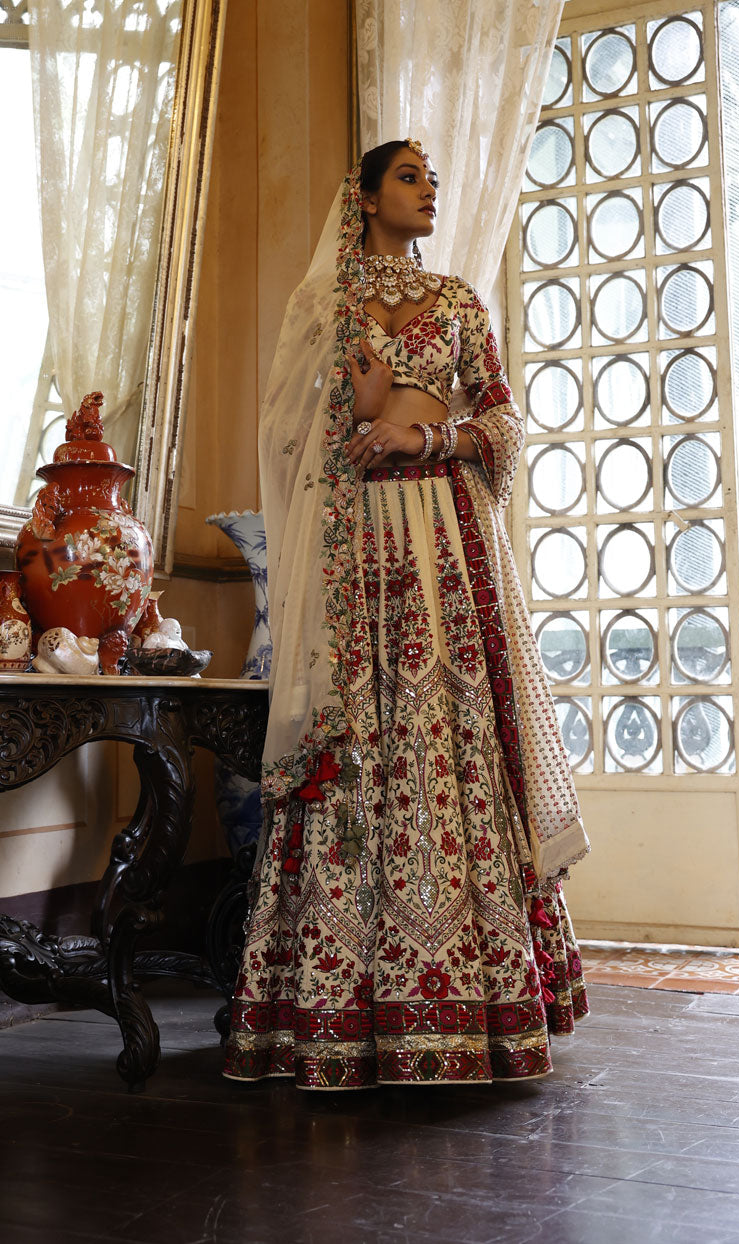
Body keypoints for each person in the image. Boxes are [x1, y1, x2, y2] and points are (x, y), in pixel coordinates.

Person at [224, 140, 589, 1090]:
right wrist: (364, 402)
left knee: (450, 729)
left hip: (447, 536)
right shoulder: (331, 306)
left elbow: (505, 421)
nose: (430, 192)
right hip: (359, 542)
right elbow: (307, 432)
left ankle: (480, 1000)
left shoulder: (463, 303)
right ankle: (346, 1010)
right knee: (362, 742)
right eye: (410, 178)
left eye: (433, 179)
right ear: (367, 196)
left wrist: (429, 433)